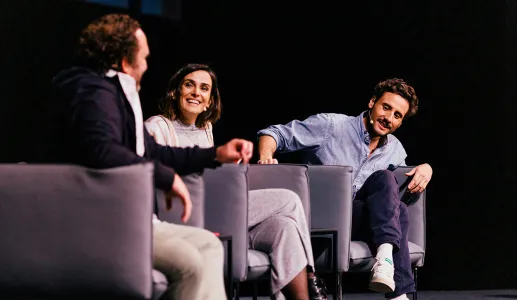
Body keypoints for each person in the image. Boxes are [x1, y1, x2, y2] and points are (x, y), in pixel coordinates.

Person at [44, 14, 254, 300]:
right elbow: (103, 150)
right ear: (125, 61)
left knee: (208, 245)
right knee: (189, 262)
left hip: (125, 216)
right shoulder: (93, 92)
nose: (146, 65)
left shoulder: (113, 93)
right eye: (143, 58)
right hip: (96, 222)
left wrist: (215, 153)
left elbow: (151, 151)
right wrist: (166, 176)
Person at [145, 63, 328, 300]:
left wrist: (231, 172)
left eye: (204, 89)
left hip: (217, 210)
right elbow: (157, 173)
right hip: (186, 213)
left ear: (209, 101)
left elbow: (208, 175)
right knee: (289, 200)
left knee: (285, 226)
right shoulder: (157, 126)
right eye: (189, 85)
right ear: (175, 92)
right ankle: (313, 277)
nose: (195, 93)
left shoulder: (205, 129)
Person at [256, 78, 433, 300]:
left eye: (397, 115)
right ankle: (398, 293)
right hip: (318, 221)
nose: (388, 118)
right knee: (394, 197)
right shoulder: (331, 126)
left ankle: (387, 268)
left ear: (400, 123)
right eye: (386, 107)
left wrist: (426, 168)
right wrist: (265, 156)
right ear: (372, 102)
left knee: (392, 192)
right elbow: (274, 134)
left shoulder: (395, 149)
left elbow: (391, 199)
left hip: (353, 221)